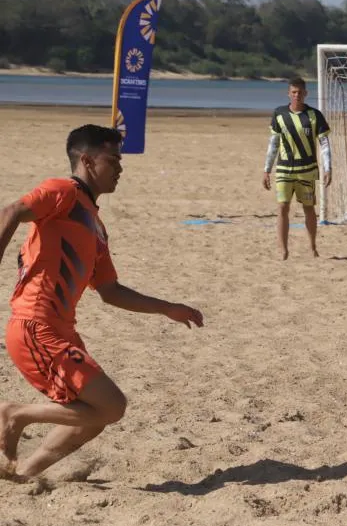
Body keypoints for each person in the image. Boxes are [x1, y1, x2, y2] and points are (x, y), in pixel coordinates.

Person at [0, 125, 204, 481]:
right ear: (86, 160)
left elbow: (110, 291)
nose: (120, 168)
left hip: (62, 332)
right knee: (111, 406)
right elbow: (11, 211)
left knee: (95, 414)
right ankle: (15, 415)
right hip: (36, 326)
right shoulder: (62, 191)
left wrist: (167, 307)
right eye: (113, 159)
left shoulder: (96, 225)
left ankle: (25, 475)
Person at [262, 77, 332, 259]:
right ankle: (283, 250)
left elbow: (324, 143)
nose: (297, 95)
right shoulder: (279, 114)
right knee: (283, 207)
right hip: (284, 169)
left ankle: (312, 247)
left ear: (306, 94)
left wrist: (328, 168)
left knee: (309, 208)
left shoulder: (315, 115)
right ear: (288, 93)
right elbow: (274, 143)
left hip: (307, 170)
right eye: (293, 92)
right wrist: (267, 169)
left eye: (300, 92)